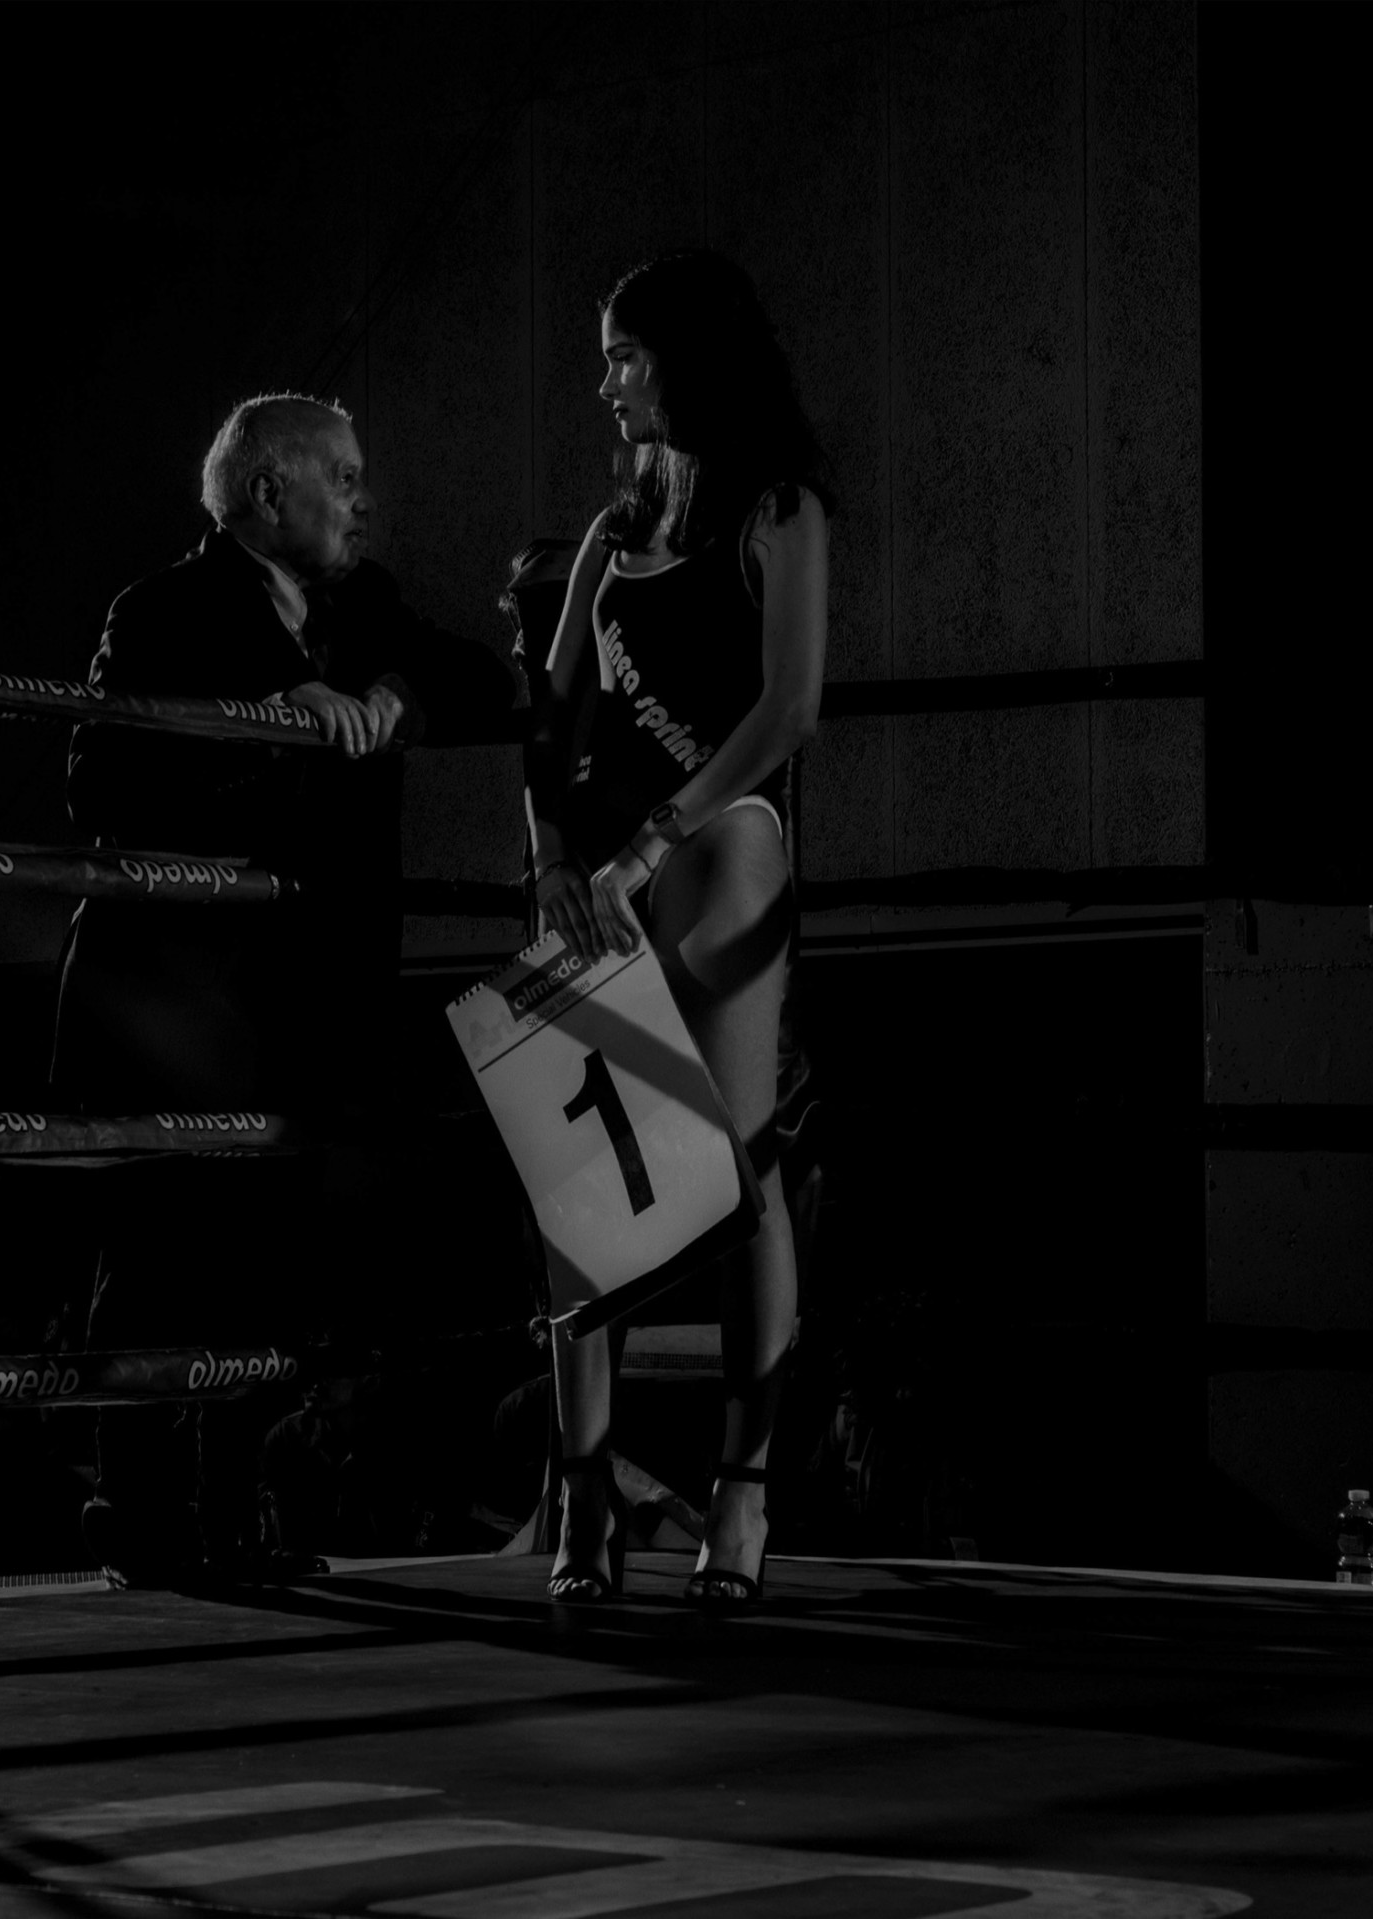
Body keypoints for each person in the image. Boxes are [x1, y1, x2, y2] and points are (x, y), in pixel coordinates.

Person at [57, 392, 514, 1581]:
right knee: (158, 1260)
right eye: (343, 477)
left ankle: (233, 1516)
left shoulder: (363, 606)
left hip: (302, 1001)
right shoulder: (161, 608)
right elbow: (99, 784)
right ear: (270, 491)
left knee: (270, 1262)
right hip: (177, 1002)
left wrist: (399, 698)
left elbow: (482, 679)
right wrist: (264, 722)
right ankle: (141, 1513)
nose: (364, 501)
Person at [523, 251, 832, 1610]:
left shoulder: (778, 508)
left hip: (716, 840)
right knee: (580, 1178)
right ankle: (581, 1488)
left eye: (624, 354)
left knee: (737, 1162)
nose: (605, 381)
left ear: (685, 359)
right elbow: (551, 719)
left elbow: (789, 709)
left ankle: (742, 1487)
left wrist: (656, 834)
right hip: (596, 862)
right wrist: (550, 857)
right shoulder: (611, 528)